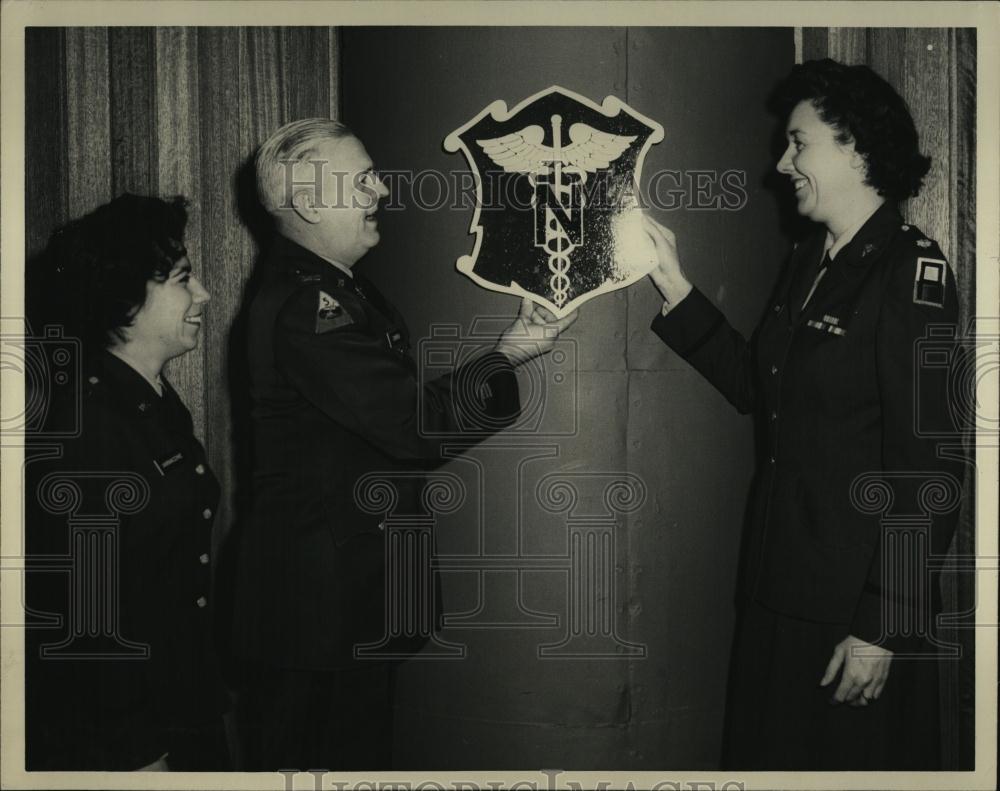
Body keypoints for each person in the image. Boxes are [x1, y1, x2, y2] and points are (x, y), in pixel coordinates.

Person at [642, 59, 963, 769]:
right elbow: (767, 390)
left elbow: (930, 468)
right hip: (777, 589)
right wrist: (675, 284)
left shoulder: (911, 274)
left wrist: (883, 627)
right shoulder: (808, 259)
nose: (782, 164)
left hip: (853, 614)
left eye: (799, 143)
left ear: (856, 149)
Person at [231, 118, 577, 770]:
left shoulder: (328, 288)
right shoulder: (310, 303)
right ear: (307, 202)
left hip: (333, 614)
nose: (381, 189)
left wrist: (511, 351)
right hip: (318, 622)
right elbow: (415, 424)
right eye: (360, 179)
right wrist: (505, 356)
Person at [25, 194, 230, 770]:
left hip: (178, 704)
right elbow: (85, 622)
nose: (204, 296)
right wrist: (137, 752)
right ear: (123, 298)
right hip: (126, 735)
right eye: (183, 279)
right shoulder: (88, 424)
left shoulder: (148, 397)